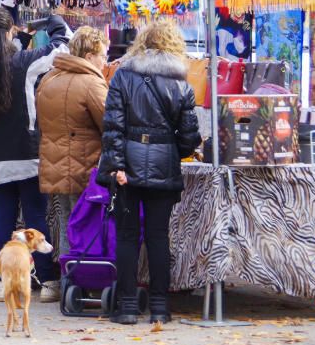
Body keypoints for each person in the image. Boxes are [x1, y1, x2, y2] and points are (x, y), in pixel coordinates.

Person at [0, 8, 69, 302]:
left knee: (2, 221)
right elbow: (63, 46)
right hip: (25, 153)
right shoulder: (21, 63)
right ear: (8, 33)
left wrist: (17, 33)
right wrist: (53, 21)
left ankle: (0, 283)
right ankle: (47, 282)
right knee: (35, 217)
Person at [98, 20, 201, 325]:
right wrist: (172, 152)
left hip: (126, 168)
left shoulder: (123, 76)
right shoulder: (182, 82)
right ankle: (159, 306)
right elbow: (189, 136)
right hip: (163, 166)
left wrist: (116, 165)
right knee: (158, 237)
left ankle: (128, 306)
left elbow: (112, 127)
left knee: (127, 237)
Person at [36, 26, 110, 255]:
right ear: (89, 56)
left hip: (54, 166)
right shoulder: (92, 83)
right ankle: (85, 278)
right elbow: (110, 124)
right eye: (103, 56)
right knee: (86, 225)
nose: (105, 62)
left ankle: (68, 279)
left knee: (66, 221)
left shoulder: (48, 80)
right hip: (84, 168)